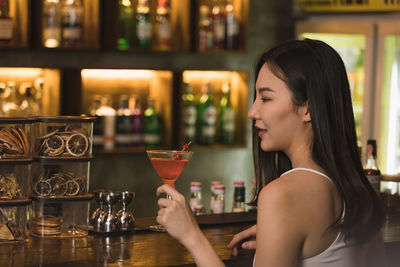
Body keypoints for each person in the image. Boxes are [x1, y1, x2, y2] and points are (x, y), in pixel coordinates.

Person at [156, 39, 387, 267]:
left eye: (266, 98)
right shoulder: (358, 191)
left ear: (309, 108)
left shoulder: (283, 195)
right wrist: (279, 233)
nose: (252, 112)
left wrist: (191, 236)